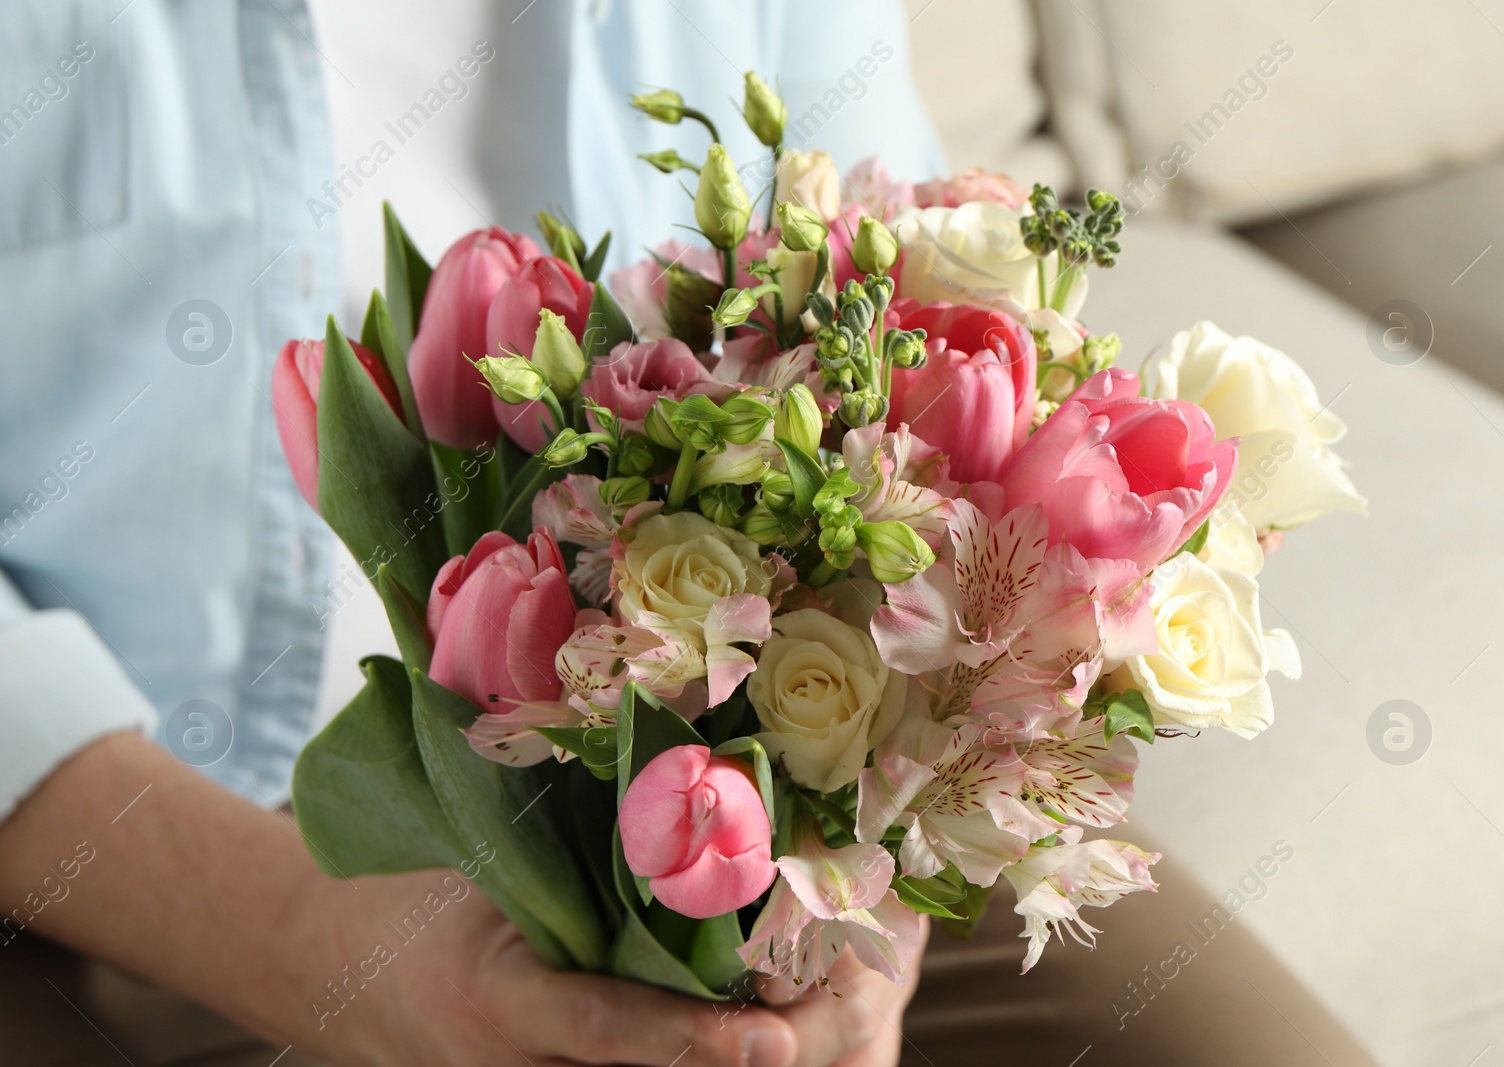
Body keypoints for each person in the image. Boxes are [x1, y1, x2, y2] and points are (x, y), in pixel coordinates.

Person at [0, 3, 1378, 1064]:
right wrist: (300, 940)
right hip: (117, 871)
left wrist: (869, 900)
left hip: (738, 845)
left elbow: (892, 321)